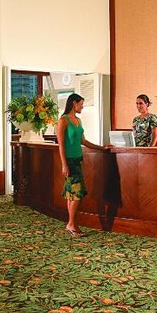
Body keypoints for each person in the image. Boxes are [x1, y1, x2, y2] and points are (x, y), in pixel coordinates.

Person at [56, 93, 109, 238]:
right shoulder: (63, 121)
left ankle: (71, 224)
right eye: (81, 104)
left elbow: (83, 141)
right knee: (76, 194)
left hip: (78, 160)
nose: (82, 107)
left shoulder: (78, 120)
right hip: (69, 162)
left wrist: (101, 148)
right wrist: (64, 164)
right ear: (74, 103)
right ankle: (71, 224)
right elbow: (61, 145)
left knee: (72, 194)